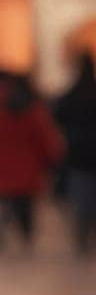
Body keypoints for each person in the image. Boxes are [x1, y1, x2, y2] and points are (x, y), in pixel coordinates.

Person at [53, 51, 96, 255]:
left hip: (76, 154)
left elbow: (57, 118)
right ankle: (94, 231)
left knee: (80, 194)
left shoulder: (70, 96)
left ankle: (81, 232)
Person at [0, 70, 64, 250]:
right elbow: (46, 136)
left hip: (2, 167)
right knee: (24, 205)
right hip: (28, 167)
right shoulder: (32, 106)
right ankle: (26, 237)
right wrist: (53, 158)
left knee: (5, 203)